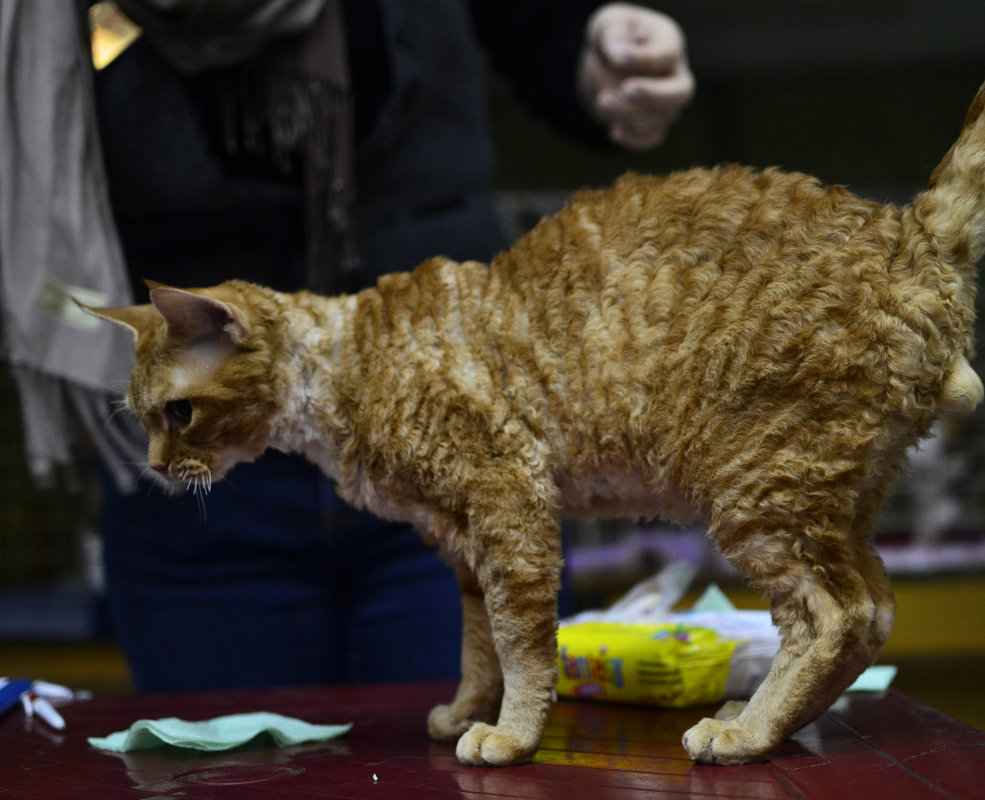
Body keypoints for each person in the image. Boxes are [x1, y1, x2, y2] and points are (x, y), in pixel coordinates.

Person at [1, 0, 692, 692]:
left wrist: (603, 58)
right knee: (227, 774)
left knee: (482, 764)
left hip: (455, 431)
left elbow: (537, 30)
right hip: (202, 486)